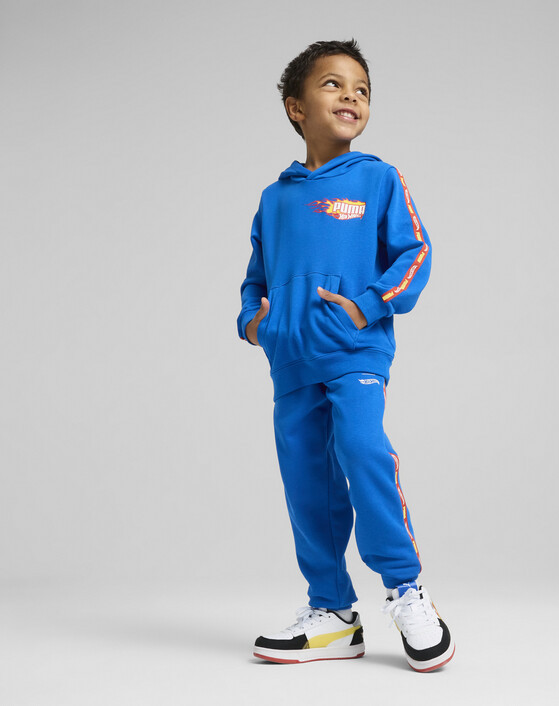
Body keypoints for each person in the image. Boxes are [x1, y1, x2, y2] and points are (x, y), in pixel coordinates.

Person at [237, 39, 454, 673]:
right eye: (333, 84)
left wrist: (368, 305)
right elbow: (255, 280)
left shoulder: (378, 179)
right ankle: (332, 612)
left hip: (355, 351)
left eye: (361, 89)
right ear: (295, 107)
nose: (351, 96)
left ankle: (407, 590)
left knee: (363, 452)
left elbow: (415, 251)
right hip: (291, 364)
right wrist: (256, 325)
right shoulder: (274, 199)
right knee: (306, 479)